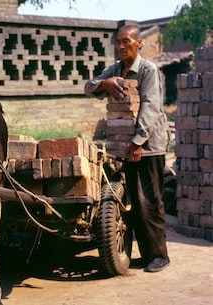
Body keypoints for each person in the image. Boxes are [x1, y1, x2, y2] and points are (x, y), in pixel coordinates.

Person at [84, 24, 169, 272]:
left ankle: (159, 255)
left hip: (148, 146)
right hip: (124, 147)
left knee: (149, 202)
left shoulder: (147, 70)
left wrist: (138, 142)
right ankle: (145, 254)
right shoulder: (116, 69)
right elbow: (89, 86)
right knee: (132, 202)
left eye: (127, 42)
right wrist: (106, 83)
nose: (121, 46)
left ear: (139, 43)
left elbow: (151, 107)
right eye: (118, 43)